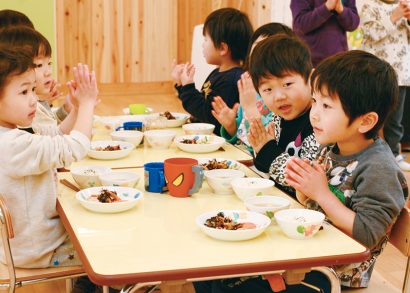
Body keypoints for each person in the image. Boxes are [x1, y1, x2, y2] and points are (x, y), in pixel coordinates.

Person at [285, 50, 408, 288]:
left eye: (327, 106)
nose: (315, 114)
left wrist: (321, 192)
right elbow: (313, 204)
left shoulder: (379, 168)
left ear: (365, 121)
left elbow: (367, 235)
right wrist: (303, 186)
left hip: (334, 277)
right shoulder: (332, 146)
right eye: (314, 101)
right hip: (310, 256)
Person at [0, 44, 98, 269]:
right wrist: (87, 103)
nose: (34, 100)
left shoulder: (9, 133)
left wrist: (75, 109)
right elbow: (75, 147)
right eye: (24, 92)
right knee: (103, 244)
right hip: (39, 250)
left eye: (33, 90)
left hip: (24, 245)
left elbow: (56, 134)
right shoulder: (12, 145)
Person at [247, 34, 319, 196]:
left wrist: (267, 151)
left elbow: (304, 183)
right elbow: (267, 166)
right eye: (267, 90)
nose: (278, 96)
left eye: (287, 84)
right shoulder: (278, 118)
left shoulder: (318, 122)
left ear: (311, 79)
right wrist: (261, 149)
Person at [211, 23, 295, 154]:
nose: (258, 55)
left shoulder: (280, 97)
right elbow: (241, 133)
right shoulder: (249, 87)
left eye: (266, 50)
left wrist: (251, 109)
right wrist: (231, 125)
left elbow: (269, 140)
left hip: (261, 162)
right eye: (255, 49)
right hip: (239, 154)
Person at [171, 8, 253, 134]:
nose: (203, 45)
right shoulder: (219, 73)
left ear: (222, 48)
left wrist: (187, 87)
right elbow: (200, 103)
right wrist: (181, 85)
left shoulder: (231, 80)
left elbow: (208, 115)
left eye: (206, 39)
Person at [360, 0, 410, 171]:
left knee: (394, 120)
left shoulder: (406, 8)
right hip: (373, 74)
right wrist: (394, 16)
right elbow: (371, 33)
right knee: (369, 115)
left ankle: (394, 154)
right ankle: (366, 153)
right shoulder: (370, 6)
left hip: (400, 75)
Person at [0, 26, 68, 132]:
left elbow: (48, 128)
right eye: (39, 65)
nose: (48, 72)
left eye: (49, 63)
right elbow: (54, 140)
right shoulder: (20, 113)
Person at [290, 0, 360, 66]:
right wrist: (326, 8)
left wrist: (341, 10)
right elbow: (299, 25)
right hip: (310, 63)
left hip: (339, 62)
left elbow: (353, 24)